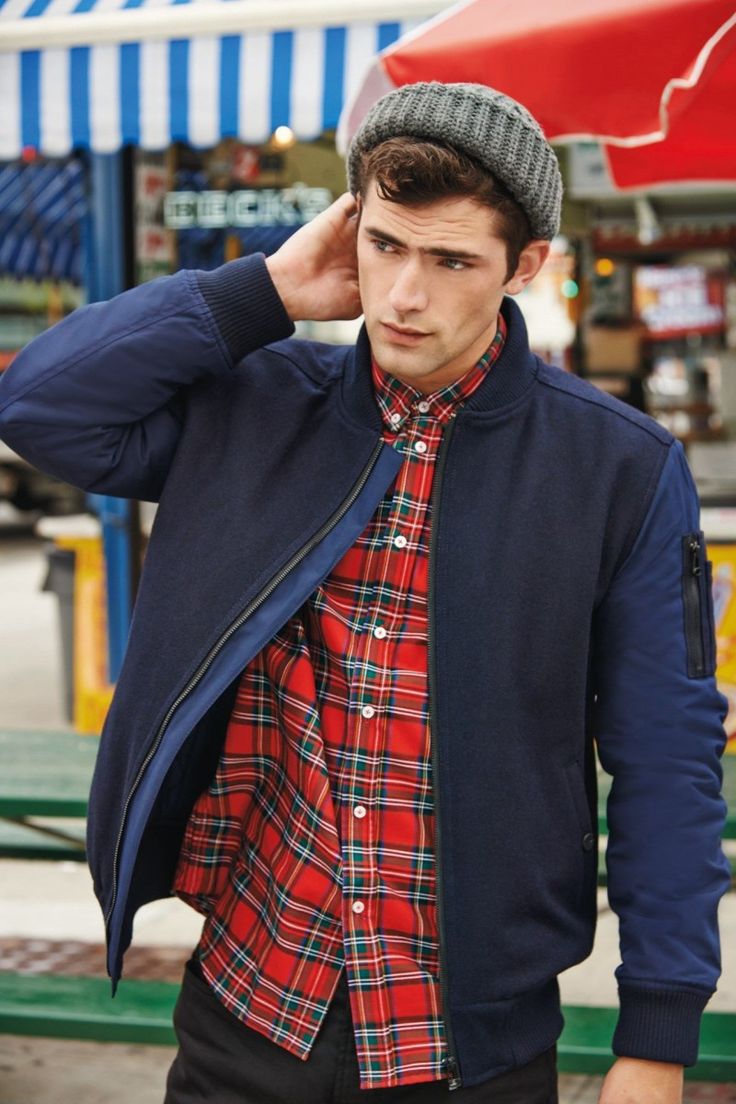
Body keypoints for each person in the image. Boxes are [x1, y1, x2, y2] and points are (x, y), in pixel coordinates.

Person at [0, 82, 730, 1104]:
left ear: (524, 266)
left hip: (468, 1047)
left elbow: (667, 759)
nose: (403, 298)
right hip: (245, 1008)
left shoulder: (618, 468)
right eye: (385, 245)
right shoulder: (257, 405)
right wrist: (264, 291)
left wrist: (655, 1038)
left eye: (451, 261)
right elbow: (39, 407)